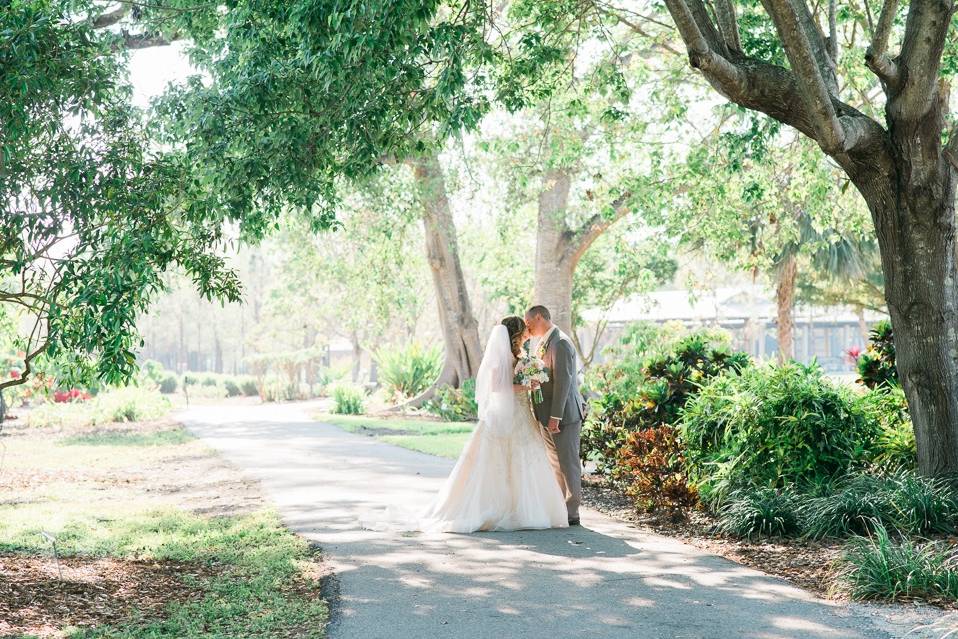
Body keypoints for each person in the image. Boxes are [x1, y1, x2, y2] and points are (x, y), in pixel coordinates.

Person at [422, 316, 569, 533]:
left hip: (521, 414)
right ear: (515, 334)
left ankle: (526, 508)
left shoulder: (518, 355)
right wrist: (526, 386)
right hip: (504, 414)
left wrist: (528, 381)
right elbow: (497, 387)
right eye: (524, 331)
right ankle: (502, 509)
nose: (527, 334)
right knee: (499, 459)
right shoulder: (502, 357)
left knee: (525, 457)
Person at [524, 305, 586, 526]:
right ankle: (560, 508)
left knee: (568, 463)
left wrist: (556, 417)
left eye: (529, 323)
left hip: (563, 416)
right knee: (555, 464)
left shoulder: (559, 342)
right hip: (547, 414)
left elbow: (563, 382)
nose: (527, 328)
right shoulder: (544, 342)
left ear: (539, 317)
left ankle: (572, 512)